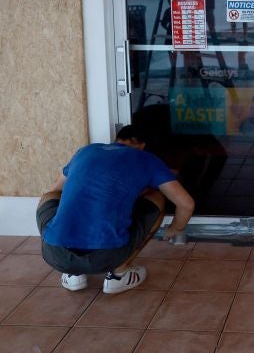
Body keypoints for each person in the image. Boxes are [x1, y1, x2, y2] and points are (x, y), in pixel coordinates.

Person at [36, 125, 195, 294]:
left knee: (50, 196)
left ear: (117, 139)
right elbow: (186, 204)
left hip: (55, 255)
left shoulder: (86, 151)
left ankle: (72, 273)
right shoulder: (146, 159)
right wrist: (175, 229)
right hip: (107, 255)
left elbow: (57, 189)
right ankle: (119, 275)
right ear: (142, 144)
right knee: (157, 197)